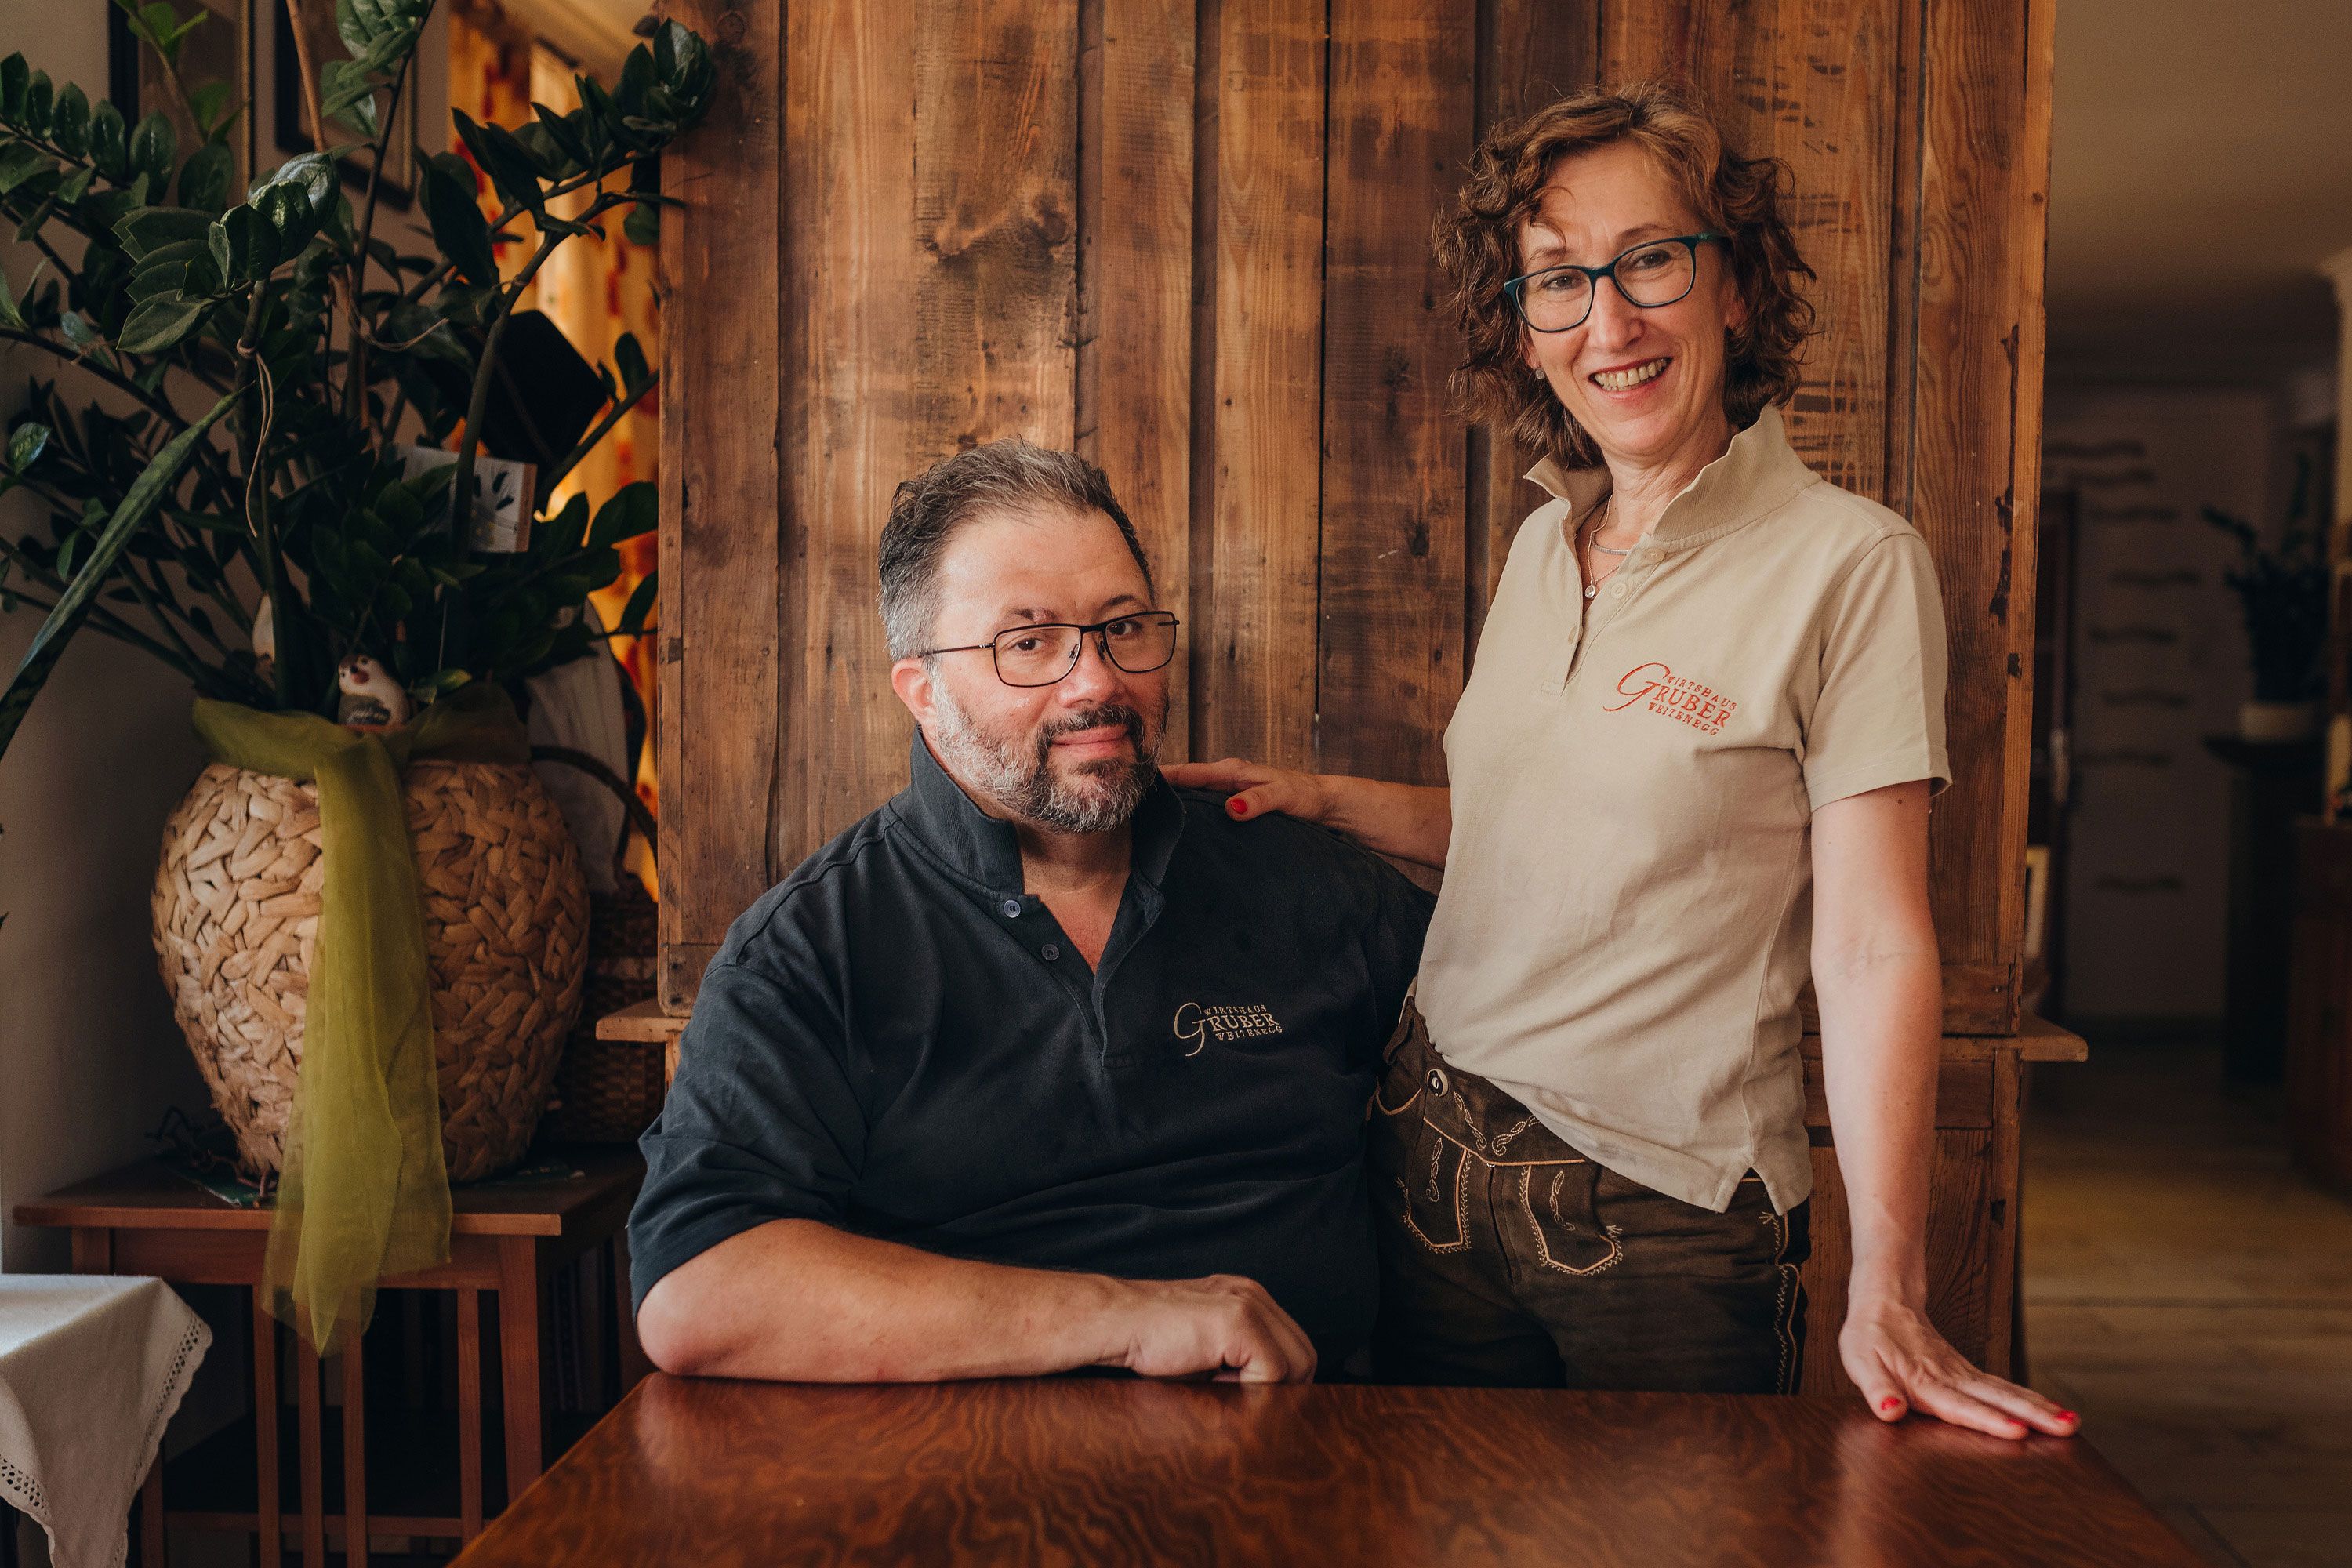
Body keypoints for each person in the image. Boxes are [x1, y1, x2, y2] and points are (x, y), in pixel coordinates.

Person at [1166, 82, 2077, 1439]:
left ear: (1738, 291)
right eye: (1557, 281)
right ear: (1525, 337)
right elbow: (1562, 831)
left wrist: (1888, 1274)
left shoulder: (1851, 565)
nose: (1610, 320)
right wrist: (1330, 800)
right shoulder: (1545, 545)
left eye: (1650, 258)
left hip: (1657, 1220)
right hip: (1425, 1161)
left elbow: (1876, 942)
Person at [629, 440, 1430, 1384]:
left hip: (1310, 1464)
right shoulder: (814, 946)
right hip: (964, 1479)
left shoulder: (1305, 880)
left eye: (1122, 626)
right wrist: (1127, 1318)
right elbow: (698, 1288)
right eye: (1030, 642)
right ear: (923, 693)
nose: (1097, 682)